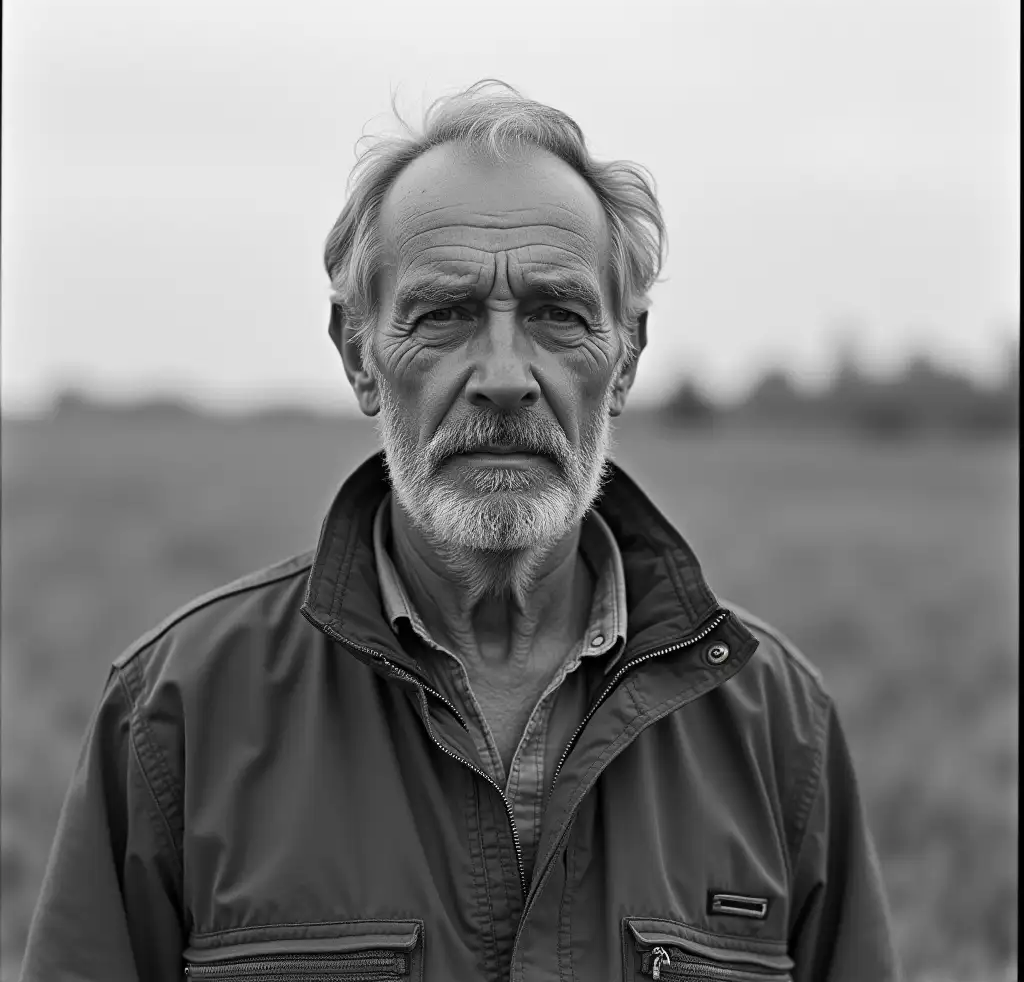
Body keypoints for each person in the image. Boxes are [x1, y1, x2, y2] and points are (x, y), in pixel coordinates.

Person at [21, 81, 900, 981]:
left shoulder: (775, 724)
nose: (507, 376)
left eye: (558, 315)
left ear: (627, 358)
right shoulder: (179, 715)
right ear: (359, 353)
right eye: (445, 315)